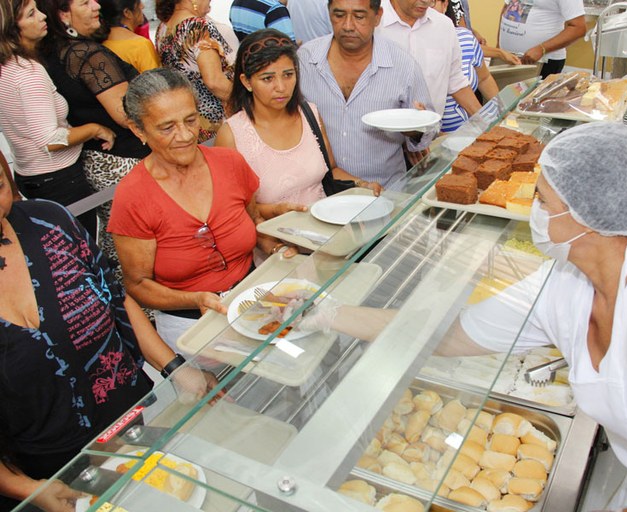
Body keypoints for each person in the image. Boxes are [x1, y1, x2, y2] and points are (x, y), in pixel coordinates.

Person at [301, 123, 627, 510]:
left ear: (588, 216)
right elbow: (445, 335)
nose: (533, 211)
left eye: (542, 200)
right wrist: (325, 313)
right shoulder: (566, 282)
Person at [0, 170, 218, 510]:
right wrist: (25, 488)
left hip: (125, 420)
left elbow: (116, 298)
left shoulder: (49, 221)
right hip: (46, 468)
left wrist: (175, 368)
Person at [108, 68, 301, 350]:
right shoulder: (133, 196)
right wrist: (195, 298)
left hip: (254, 300)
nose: (186, 135)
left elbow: (254, 222)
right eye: (167, 127)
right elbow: (138, 284)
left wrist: (276, 248)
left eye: (191, 120)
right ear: (138, 130)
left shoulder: (230, 164)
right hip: (190, 325)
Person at [38, 0, 151, 265]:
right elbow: (126, 113)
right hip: (125, 160)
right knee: (139, 240)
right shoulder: (85, 54)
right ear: (63, 14)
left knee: (120, 238)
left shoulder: (51, 53)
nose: (96, 5)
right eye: (85, 2)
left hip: (97, 159)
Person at [216, 29, 381, 205]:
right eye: (267, 78)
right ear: (246, 82)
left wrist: (362, 185)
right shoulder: (232, 135)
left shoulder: (309, 114)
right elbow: (230, 206)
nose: (281, 87)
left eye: (288, 75)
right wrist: (273, 212)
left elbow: (330, 170)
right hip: (273, 224)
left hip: (324, 219)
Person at [0, 0, 115, 236]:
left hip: (30, 175)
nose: (43, 16)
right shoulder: (28, 74)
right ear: (12, 29)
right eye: (31, 14)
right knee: (79, 246)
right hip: (58, 180)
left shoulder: (7, 68)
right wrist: (95, 129)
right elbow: (51, 140)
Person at [297, 0, 435, 189]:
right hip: (321, 193)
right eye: (339, 15)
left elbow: (428, 130)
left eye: (359, 16)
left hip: (384, 192)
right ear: (329, 14)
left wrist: (416, 129)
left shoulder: (403, 65)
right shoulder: (306, 59)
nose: (348, 26)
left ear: (377, 16)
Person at [376, 0, 481, 126]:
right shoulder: (371, 21)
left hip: (427, 133)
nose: (426, 2)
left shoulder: (444, 26)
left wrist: (485, 122)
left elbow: (455, 80)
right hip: (377, 133)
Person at [155, 0, 235, 142]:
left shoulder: (163, 27)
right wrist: (247, 101)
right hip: (215, 121)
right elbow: (214, 82)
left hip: (189, 118)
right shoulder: (197, 26)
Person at [434, 0, 499, 132]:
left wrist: (502, 110)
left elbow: (484, 78)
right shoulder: (409, 46)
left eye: (432, 2)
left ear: (445, 5)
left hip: (471, 131)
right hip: (434, 138)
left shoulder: (465, 37)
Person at [496, 0, 586, 78]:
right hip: (506, 57)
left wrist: (541, 49)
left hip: (542, 62)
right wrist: (498, 45)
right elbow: (506, 7)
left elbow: (578, 28)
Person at [100, 0, 161, 73]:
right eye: (138, 2)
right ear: (127, 13)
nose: (142, 6)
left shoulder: (99, 43)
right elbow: (155, 79)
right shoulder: (140, 46)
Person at [229, 0, 295, 42]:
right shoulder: (275, 9)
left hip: (246, 59)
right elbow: (288, 51)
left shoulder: (236, 3)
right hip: (269, 60)